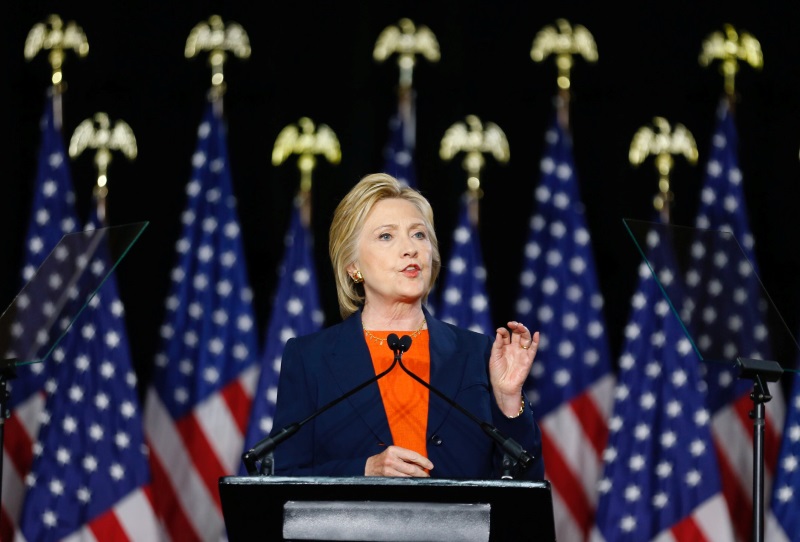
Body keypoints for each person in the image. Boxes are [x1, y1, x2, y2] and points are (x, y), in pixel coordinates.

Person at [268, 172, 545, 480]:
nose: (410, 249)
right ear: (353, 266)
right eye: (386, 236)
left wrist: (508, 399)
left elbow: (525, 484)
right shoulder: (310, 359)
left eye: (419, 235)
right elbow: (285, 476)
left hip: (456, 527)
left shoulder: (478, 353)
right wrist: (364, 470)